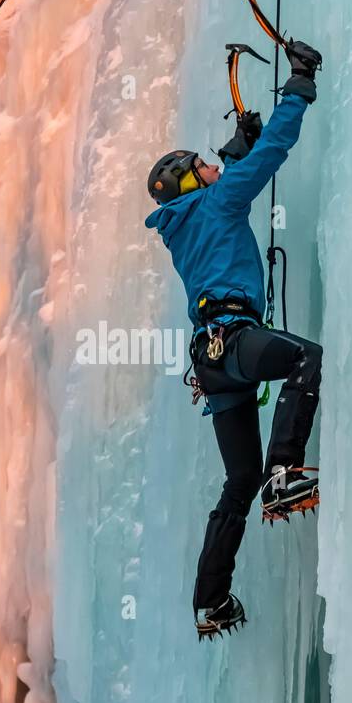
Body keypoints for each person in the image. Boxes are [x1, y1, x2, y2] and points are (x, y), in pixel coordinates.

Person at [144, 39, 323, 640]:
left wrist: (232, 147)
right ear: (196, 180)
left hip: (212, 364)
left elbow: (227, 176)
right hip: (236, 341)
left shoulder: (182, 223)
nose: (212, 165)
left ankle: (210, 599)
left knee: (236, 482)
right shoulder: (217, 202)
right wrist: (298, 84)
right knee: (304, 357)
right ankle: (285, 470)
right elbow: (270, 154)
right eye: (205, 162)